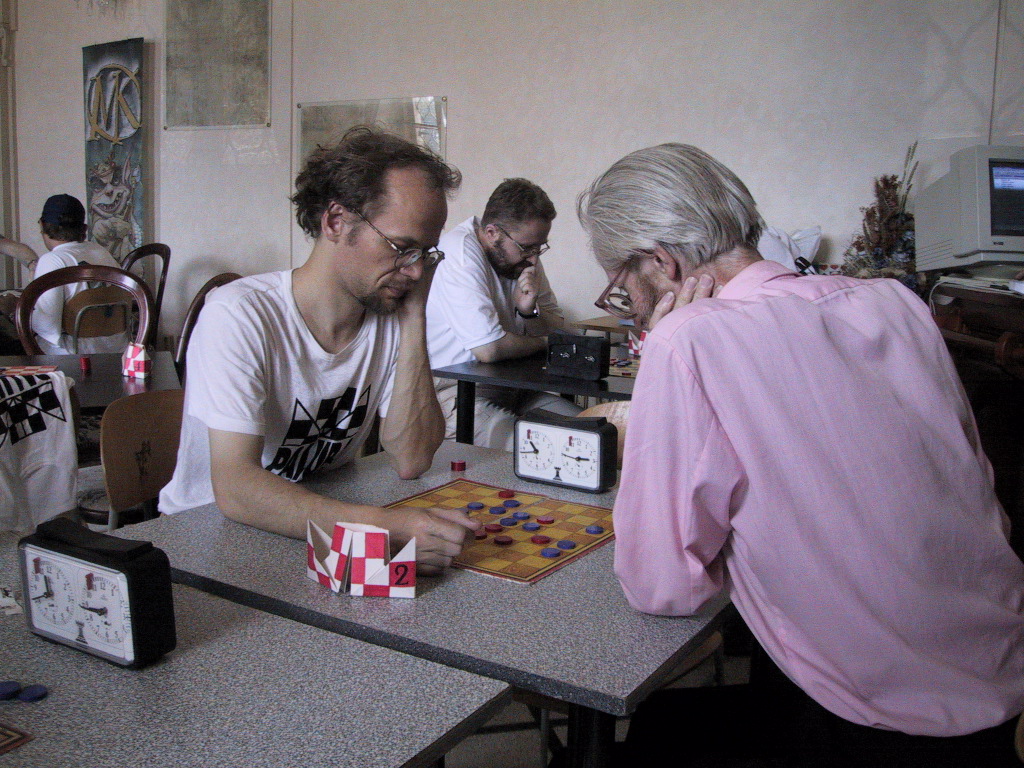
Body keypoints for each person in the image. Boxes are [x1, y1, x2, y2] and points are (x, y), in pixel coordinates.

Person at [576, 143, 1024, 766]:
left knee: (653, 733)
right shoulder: (896, 302)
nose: (631, 308)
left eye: (623, 290)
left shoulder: (686, 340)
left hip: (879, 716)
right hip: (1001, 662)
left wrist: (666, 352)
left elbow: (663, 585)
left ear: (661, 262)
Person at [159, 127, 480, 574]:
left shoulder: (387, 311)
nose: (416, 271)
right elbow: (235, 487)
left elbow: (413, 460)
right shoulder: (238, 314)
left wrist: (414, 319)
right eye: (402, 248)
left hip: (316, 524)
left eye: (427, 254)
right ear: (335, 222)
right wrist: (383, 528)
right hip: (207, 538)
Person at [426, 178, 579, 449]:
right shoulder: (459, 251)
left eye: (539, 247)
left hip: (517, 389)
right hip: (458, 396)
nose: (534, 258)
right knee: (550, 450)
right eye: (527, 248)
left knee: (599, 435)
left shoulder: (525, 257)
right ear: (492, 232)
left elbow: (561, 330)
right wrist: (545, 343)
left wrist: (529, 312)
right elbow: (489, 349)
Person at [0, 194, 124, 354]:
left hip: (70, 357)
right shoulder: (101, 251)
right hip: (116, 352)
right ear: (83, 228)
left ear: (42, 225)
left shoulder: (52, 261)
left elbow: (46, 326)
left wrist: (16, 308)